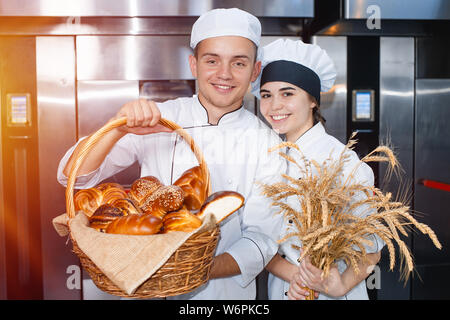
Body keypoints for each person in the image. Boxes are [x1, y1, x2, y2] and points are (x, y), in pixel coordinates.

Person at [57, 8, 285, 300]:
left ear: (255, 71)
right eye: (211, 60)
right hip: (142, 288)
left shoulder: (268, 144)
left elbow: (262, 239)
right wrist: (118, 129)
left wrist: (188, 266)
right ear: (193, 65)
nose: (224, 74)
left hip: (223, 296)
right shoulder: (160, 118)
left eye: (238, 63)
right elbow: (71, 176)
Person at [251, 38, 385, 300]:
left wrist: (340, 285)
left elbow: (372, 249)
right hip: (284, 291)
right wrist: (293, 274)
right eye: (266, 95)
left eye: (287, 93)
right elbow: (258, 240)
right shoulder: (267, 160)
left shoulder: (343, 163)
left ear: (313, 100)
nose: (274, 105)